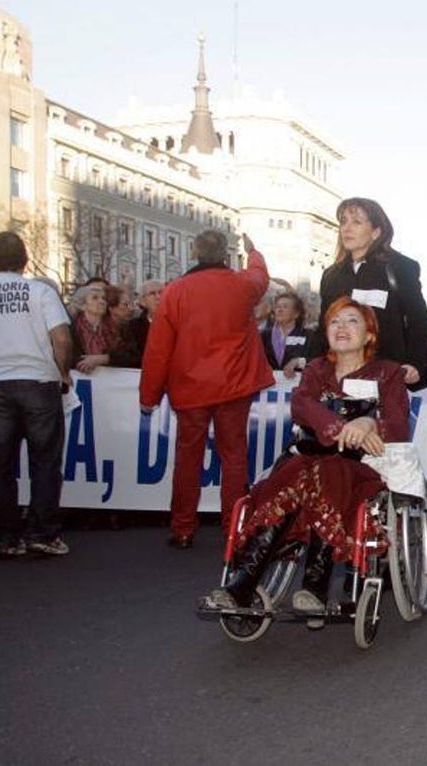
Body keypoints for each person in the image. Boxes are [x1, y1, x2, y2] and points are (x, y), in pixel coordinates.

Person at [205, 298, 410, 617]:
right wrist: (339, 427)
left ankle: (273, 584)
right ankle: (254, 582)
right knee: (305, 470)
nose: (341, 327)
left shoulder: (387, 373)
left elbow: (398, 423)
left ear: (369, 334)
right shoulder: (317, 369)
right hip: (311, 455)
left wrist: (370, 422)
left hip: (361, 465)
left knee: (325, 472)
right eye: (335, 322)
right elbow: (302, 405)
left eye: (352, 321)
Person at [140, 231, 274, 549]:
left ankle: (183, 528)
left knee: (188, 458)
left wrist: (149, 396)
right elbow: (260, 275)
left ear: (194, 253)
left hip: (190, 387)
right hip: (234, 384)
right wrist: (254, 251)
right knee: (234, 457)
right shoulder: (242, 284)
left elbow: (158, 348)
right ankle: (234, 528)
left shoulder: (175, 291)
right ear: (226, 255)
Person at [0, 231, 74, 558]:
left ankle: (4, 537)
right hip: (38, 383)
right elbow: (62, 339)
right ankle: (42, 533)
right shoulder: (39, 291)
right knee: (46, 461)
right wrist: (62, 372)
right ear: (24, 259)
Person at [317, 198, 427, 390]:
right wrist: (314, 367)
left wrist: (414, 363)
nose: (346, 228)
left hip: (384, 377)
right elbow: (324, 326)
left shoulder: (399, 268)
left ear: (376, 232)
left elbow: (420, 321)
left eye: (356, 222)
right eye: (343, 221)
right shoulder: (332, 275)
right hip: (337, 376)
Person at [110, 280, 163, 368]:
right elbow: (130, 357)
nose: (158, 297)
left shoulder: (179, 324)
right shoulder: (132, 327)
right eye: (152, 293)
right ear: (143, 301)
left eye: (161, 292)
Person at [261, 292, 312, 378]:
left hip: (297, 385)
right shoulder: (264, 336)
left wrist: (298, 362)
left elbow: (319, 361)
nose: (280, 310)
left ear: (296, 313)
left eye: (285, 307)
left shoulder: (308, 336)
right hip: (270, 387)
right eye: (277, 307)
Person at [69, 283, 117, 374]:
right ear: (82, 305)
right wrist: (84, 362)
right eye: (95, 298)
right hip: (81, 378)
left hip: (111, 379)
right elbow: (67, 355)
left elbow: (129, 356)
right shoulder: (72, 328)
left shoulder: (115, 327)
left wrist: (104, 358)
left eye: (103, 298)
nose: (102, 301)